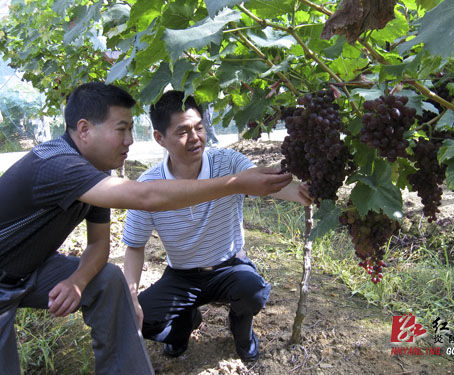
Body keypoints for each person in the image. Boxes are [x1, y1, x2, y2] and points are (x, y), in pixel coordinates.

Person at [0, 82, 292, 375]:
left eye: (130, 130)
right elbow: (146, 198)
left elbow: (99, 246)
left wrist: (77, 281)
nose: (129, 140)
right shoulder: (57, 164)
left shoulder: (96, 175)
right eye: (121, 129)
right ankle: (180, 326)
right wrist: (237, 183)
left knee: (107, 280)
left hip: (31, 269)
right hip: (6, 275)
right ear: (85, 129)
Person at [122, 91, 311, 362]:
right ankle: (182, 327)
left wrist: (309, 187)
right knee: (139, 318)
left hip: (229, 267)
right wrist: (131, 293)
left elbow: (270, 184)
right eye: (183, 131)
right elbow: (135, 245)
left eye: (199, 127)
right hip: (182, 276)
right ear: (159, 138)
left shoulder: (228, 162)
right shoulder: (147, 186)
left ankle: (241, 329)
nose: (196, 137)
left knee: (253, 290)